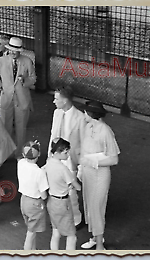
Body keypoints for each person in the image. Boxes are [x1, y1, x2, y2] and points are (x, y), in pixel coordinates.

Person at [77, 100, 120, 250]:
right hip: (88, 174)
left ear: (90, 114)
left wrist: (93, 162)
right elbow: (84, 151)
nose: (83, 114)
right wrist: (82, 168)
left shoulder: (106, 131)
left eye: (85, 112)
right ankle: (94, 238)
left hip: (100, 175)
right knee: (89, 206)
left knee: (97, 208)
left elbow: (114, 159)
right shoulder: (87, 127)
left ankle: (100, 245)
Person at [0, 37, 36, 157]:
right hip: (6, 99)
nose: (12, 52)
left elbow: (33, 78)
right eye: (10, 49)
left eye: (15, 50)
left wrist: (25, 81)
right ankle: (5, 153)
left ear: (20, 51)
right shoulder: (2, 60)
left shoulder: (27, 61)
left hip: (22, 100)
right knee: (5, 128)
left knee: (21, 129)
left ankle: (19, 154)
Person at [48, 86, 86, 228]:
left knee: (71, 194)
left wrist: (81, 169)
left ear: (65, 100)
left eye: (56, 98)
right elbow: (53, 136)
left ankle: (76, 219)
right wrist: (49, 157)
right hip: (57, 159)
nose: (54, 101)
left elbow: (83, 144)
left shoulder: (80, 118)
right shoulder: (57, 113)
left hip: (71, 162)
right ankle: (64, 216)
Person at [43, 138, 81, 250]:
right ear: (56, 153)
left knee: (56, 232)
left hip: (52, 202)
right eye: (65, 152)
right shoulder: (63, 169)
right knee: (71, 235)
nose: (68, 155)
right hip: (63, 203)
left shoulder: (48, 164)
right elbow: (77, 187)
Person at [17, 140, 49, 250]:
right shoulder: (39, 172)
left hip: (24, 201)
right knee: (31, 233)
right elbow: (43, 195)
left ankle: (33, 251)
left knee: (31, 230)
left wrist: (32, 147)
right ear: (39, 154)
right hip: (35, 203)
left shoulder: (20, 163)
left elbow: (24, 157)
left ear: (23, 155)